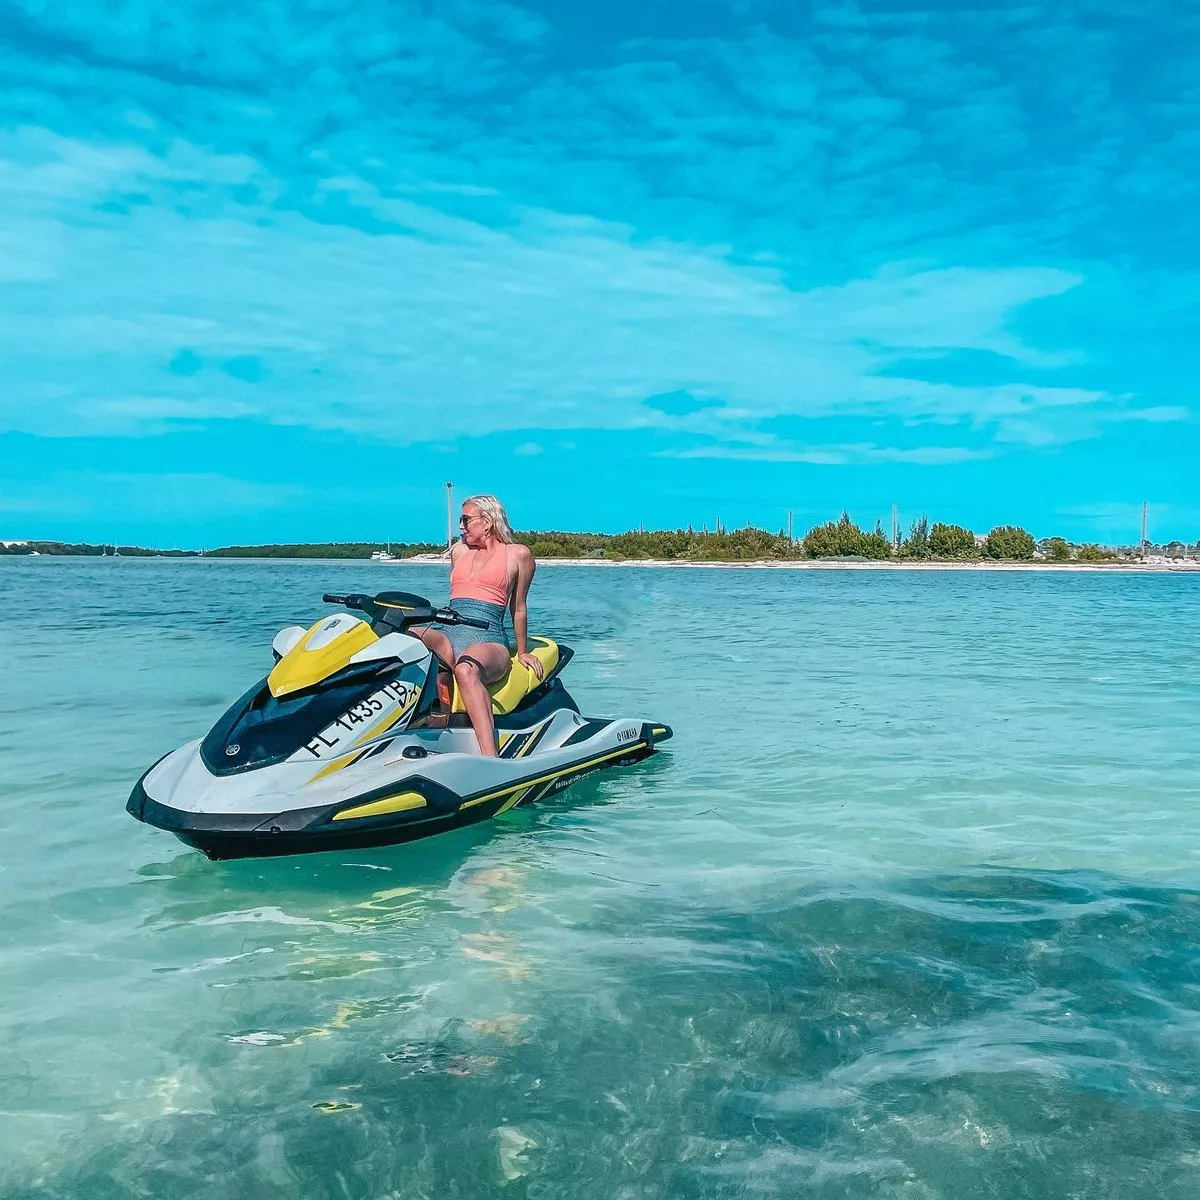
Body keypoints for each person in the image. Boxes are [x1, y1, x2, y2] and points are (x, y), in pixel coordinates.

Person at [417, 494, 543, 756]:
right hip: (449, 633)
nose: (460, 527)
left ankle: (491, 757)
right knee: (399, 635)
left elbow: (518, 608)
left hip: (489, 639)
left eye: (465, 520)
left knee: (465, 670)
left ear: (487, 522)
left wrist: (522, 652)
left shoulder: (518, 554)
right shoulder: (459, 551)